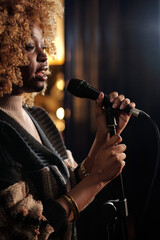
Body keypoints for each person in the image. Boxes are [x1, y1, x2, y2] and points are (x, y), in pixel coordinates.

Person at [0, 0, 136, 239]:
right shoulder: (2, 133)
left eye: (43, 45)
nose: (44, 56)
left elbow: (69, 182)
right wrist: (97, 180)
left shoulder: (39, 117)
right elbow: (27, 228)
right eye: (29, 46)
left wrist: (102, 137)